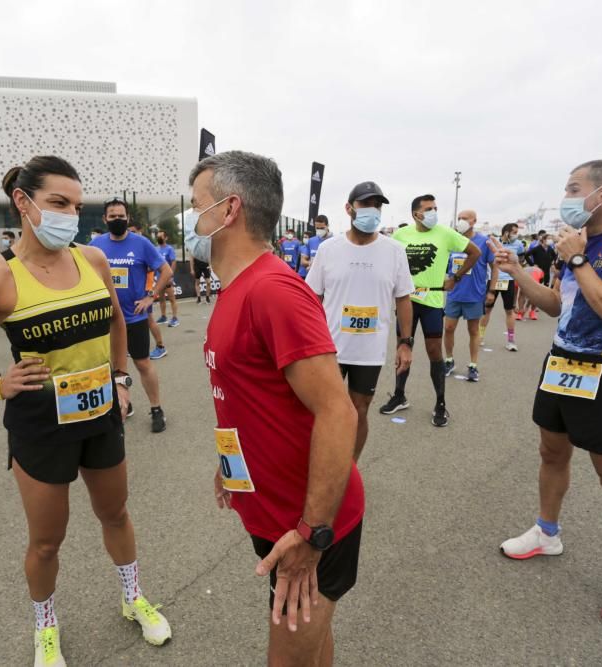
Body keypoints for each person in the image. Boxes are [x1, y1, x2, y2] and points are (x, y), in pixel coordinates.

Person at [0, 157, 171, 665]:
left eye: (75, 204)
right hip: (40, 424)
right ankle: (45, 626)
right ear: (24, 204)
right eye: (57, 203)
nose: (70, 214)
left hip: (100, 414)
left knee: (115, 513)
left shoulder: (91, 257)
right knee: (47, 541)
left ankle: (133, 597)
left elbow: (116, 320)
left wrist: (119, 377)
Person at [186, 150, 361, 666]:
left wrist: (313, 532)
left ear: (229, 209)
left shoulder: (273, 291)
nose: (190, 219)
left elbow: (338, 412)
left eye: (197, 205)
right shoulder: (234, 290)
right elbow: (248, 395)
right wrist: (231, 465)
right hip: (273, 510)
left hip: (306, 525)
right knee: (314, 643)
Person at [495, 159, 602, 630]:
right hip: (561, 363)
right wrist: (516, 272)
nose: (567, 196)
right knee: (551, 452)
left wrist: (577, 259)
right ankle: (546, 531)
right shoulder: (577, 243)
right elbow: (558, 305)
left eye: (574, 188)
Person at [306, 181, 413, 460]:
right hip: (329, 348)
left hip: (370, 351)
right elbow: (311, 297)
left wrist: (405, 343)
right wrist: (308, 340)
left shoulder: (394, 251)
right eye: (365, 204)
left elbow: (403, 298)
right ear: (349, 208)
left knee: (359, 410)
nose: (372, 211)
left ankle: (349, 469)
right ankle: (320, 464)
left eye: (377, 205)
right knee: (322, 409)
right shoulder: (329, 249)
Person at [379, 193, 482, 426]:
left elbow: (475, 252)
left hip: (432, 301)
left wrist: (455, 277)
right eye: (429, 209)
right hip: (407, 301)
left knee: (434, 351)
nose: (434, 212)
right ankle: (399, 395)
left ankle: (440, 403)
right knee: (402, 347)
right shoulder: (400, 235)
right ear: (416, 214)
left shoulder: (446, 233)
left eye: (435, 207)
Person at [91, 198, 171, 432]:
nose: (117, 220)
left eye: (121, 216)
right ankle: (123, 402)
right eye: (113, 216)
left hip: (133, 319)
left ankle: (156, 409)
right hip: (105, 319)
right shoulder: (95, 245)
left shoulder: (142, 243)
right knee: (108, 366)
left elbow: (165, 272)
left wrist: (150, 297)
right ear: (105, 219)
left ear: (128, 218)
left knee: (143, 364)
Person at [443, 210, 498, 382]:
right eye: (459, 218)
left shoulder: (483, 242)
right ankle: (449, 360)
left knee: (473, 331)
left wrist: (492, 291)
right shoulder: (453, 240)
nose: (461, 221)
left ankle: (473, 365)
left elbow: (494, 267)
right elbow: (446, 266)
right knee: (449, 328)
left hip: (475, 294)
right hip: (454, 294)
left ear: (474, 221)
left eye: (465, 218)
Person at [126, 220, 169, 361]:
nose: (130, 234)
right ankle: (128, 347)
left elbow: (157, 267)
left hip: (146, 290)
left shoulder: (143, 244)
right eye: (129, 231)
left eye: (133, 231)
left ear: (140, 231)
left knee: (149, 321)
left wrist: (150, 294)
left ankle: (161, 347)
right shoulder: (129, 244)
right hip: (137, 291)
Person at [480, 223, 523, 350]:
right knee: (487, 310)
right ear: (506, 232)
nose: (516, 234)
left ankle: (511, 341)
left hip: (509, 281)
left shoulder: (518, 244)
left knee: (509, 311)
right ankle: (480, 337)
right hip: (493, 280)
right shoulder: (492, 242)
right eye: (514, 232)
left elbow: (521, 259)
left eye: (517, 232)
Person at [153, 229, 180, 327]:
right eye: (158, 236)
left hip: (167, 279)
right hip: (159, 279)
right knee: (161, 299)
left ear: (166, 238)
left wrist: (170, 276)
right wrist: (155, 277)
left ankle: (175, 318)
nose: (159, 238)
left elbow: (173, 262)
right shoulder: (155, 249)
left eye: (161, 236)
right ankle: (163, 316)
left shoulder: (169, 249)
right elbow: (155, 264)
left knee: (172, 298)